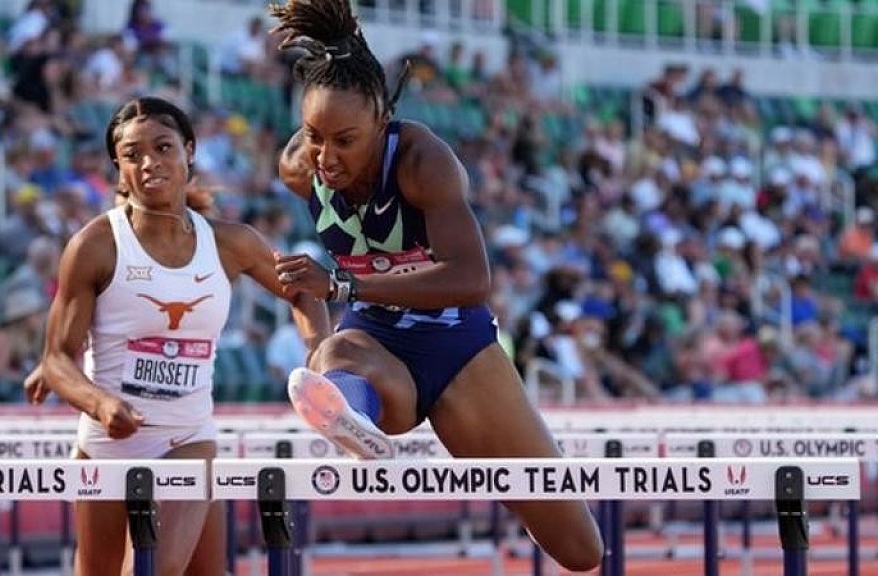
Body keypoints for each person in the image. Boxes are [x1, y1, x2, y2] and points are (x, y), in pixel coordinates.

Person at [268, 0, 602, 571]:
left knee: (579, 550)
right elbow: (308, 290)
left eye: (345, 140)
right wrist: (317, 343)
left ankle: (351, 405)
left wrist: (343, 286)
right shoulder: (300, 168)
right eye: (314, 135)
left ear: (382, 121)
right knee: (334, 355)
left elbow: (472, 280)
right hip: (375, 344)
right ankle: (352, 414)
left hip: (457, 346)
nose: (326, 157)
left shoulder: (422, 161)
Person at [40, 96, 330, 576]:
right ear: (118, 169)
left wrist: (319, 351)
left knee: (153, 571)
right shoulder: (95, 245)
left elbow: (302, 290)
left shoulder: (230, 242)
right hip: (106, 445)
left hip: (187, 439)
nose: (149, 162)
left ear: (189, 151)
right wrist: (100, 403)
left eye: (163, 148)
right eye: (132, 155)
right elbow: (56, 359)